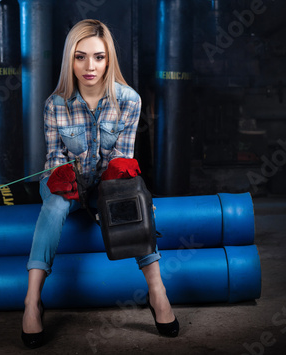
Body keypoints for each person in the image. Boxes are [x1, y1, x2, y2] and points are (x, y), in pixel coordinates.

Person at [21, 19, 179, 349]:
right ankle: (32, 301)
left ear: (109, 59)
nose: (89, 66)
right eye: (80, 57)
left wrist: (121, 190)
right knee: (53, 205)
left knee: (133, 202)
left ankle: (157, 291)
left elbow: (121, 159)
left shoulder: (129, 101)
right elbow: (54, 161)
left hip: (108, 183)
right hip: (65, 183)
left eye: (98, 57)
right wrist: (63, 178)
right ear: (70, 60)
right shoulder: (55, 105)